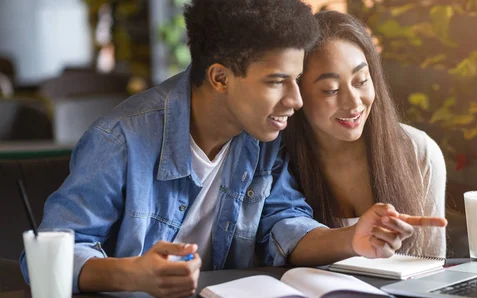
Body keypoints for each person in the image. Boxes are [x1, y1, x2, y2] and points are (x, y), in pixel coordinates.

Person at [20, 1, 446, 297]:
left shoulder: (261, 137)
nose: (296, 100)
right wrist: (130, 273)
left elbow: (283, 221)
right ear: (220, 78)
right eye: (277, 81)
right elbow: (48, 253)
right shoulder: (122, 139)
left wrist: (351, 238)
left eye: (297, 80)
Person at [284, 11, 447, 259]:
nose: (353, 102)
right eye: (331, 90)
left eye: (361, 81)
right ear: (298, 93)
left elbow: (433, 266)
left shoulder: (419, 152)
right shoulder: (277, 160)